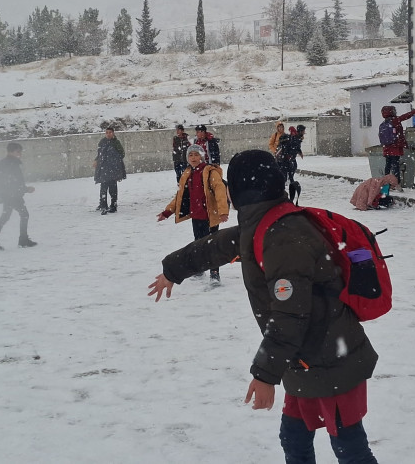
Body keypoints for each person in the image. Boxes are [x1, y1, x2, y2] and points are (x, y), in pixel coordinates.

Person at [147, 150, 380, 464]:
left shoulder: (284, 237)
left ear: (242, 188)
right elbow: (214, 247)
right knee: (294, 439)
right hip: (304, 359)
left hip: (329, 360)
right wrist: (173, 270)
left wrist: (265, 375)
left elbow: (290, 316)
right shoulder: (264, 223)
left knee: (350, 449)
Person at [157, 144, 230, 283]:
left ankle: (214, 272)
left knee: (212, 245)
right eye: (190, 155)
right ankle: (199, 268)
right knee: (198, 245)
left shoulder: (210, 172)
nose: (193, 158)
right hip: (196, 216)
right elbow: (179, 196)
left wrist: (223, 211)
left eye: (196, 155)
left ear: (202, 156)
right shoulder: (187, 173)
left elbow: (220, 191)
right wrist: (167, 212)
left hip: (210, 216)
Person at [0, 142, 37, 250]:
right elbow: (13, 181)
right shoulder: (11, 163)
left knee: (6, 217)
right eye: (18, 151)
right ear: (11, 152)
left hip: (9, 194)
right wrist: (25, 189)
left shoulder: (7, 163)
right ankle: (22, 240)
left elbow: (12, 181)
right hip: (12, 195)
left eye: (20, 152)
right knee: (23, 215)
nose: (20, 154)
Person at [379, 104, 415, 182]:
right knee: (395, 165)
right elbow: (405, 116)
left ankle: (386, 181)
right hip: (395, 146)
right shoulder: (395, 120)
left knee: (388, 165)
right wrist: (414, 112)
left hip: (387, 147)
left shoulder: (383, 123)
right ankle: (396, 182)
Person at [95, 126, 127, 214]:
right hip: (103, 168)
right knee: (103, 187)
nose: (108, 134)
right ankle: (103, 205)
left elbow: (122, 154)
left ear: (113, 133)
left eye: (110, 132)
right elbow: (99, 154)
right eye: (107, 132)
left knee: (113, 188)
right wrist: (96, 160)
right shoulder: (102, 142)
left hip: (113, 169)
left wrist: (113, 159)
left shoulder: (116, 143)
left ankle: (113, 205)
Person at [276, 125, 306, 202]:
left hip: (288, 159)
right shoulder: (294, 138)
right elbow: (292, 147)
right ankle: (284, 192)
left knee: (290, 171)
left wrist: (299, 152)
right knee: (286, 174)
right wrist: (289, 156)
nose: (304, 133)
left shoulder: (296, 138)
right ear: (299, 131)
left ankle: (288, 187)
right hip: (286, 159)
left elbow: (295, 147)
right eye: (303, 131)